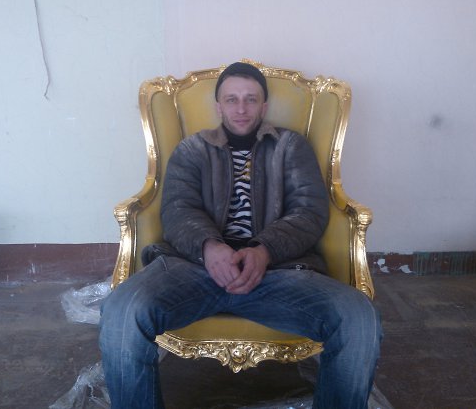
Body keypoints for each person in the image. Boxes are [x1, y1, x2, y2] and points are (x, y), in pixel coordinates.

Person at [99, 62, 382, 409]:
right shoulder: (192, 150)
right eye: (231, 99)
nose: (241, 108)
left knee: (358, 317)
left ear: (264, 106)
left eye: (251, 99)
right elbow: (177, 210)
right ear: (218, 106)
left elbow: (309, 212)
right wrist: (209, 247)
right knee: (121, 310)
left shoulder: (290, 146)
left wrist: (265, 249)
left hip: (277, 273)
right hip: (193, 269)